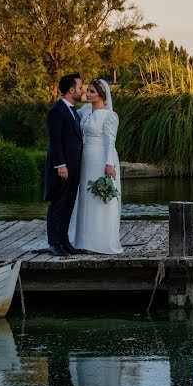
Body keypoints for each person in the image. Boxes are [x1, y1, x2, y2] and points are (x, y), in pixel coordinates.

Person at [70, 79, 123, 254]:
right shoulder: (85, 111)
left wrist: (109, 164)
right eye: (87, 91)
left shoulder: (109, 116)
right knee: (85, 195)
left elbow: (110, 141)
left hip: (101, 158)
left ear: (101, 95)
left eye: (92, 91)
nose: (87, 94)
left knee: (100, 198)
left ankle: (101, 241)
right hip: (86, 159)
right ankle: (83, 240)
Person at [43, 73, 84, 257]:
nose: (82, 91)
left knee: (69, 204)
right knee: (58, 204)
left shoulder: (72, 110)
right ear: (71, 90)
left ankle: (64, 240)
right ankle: (54, 243)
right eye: (80, 87)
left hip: (74, 167)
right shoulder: (57, 111)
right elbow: (55, 140)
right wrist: (61, 165)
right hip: (63, 167)